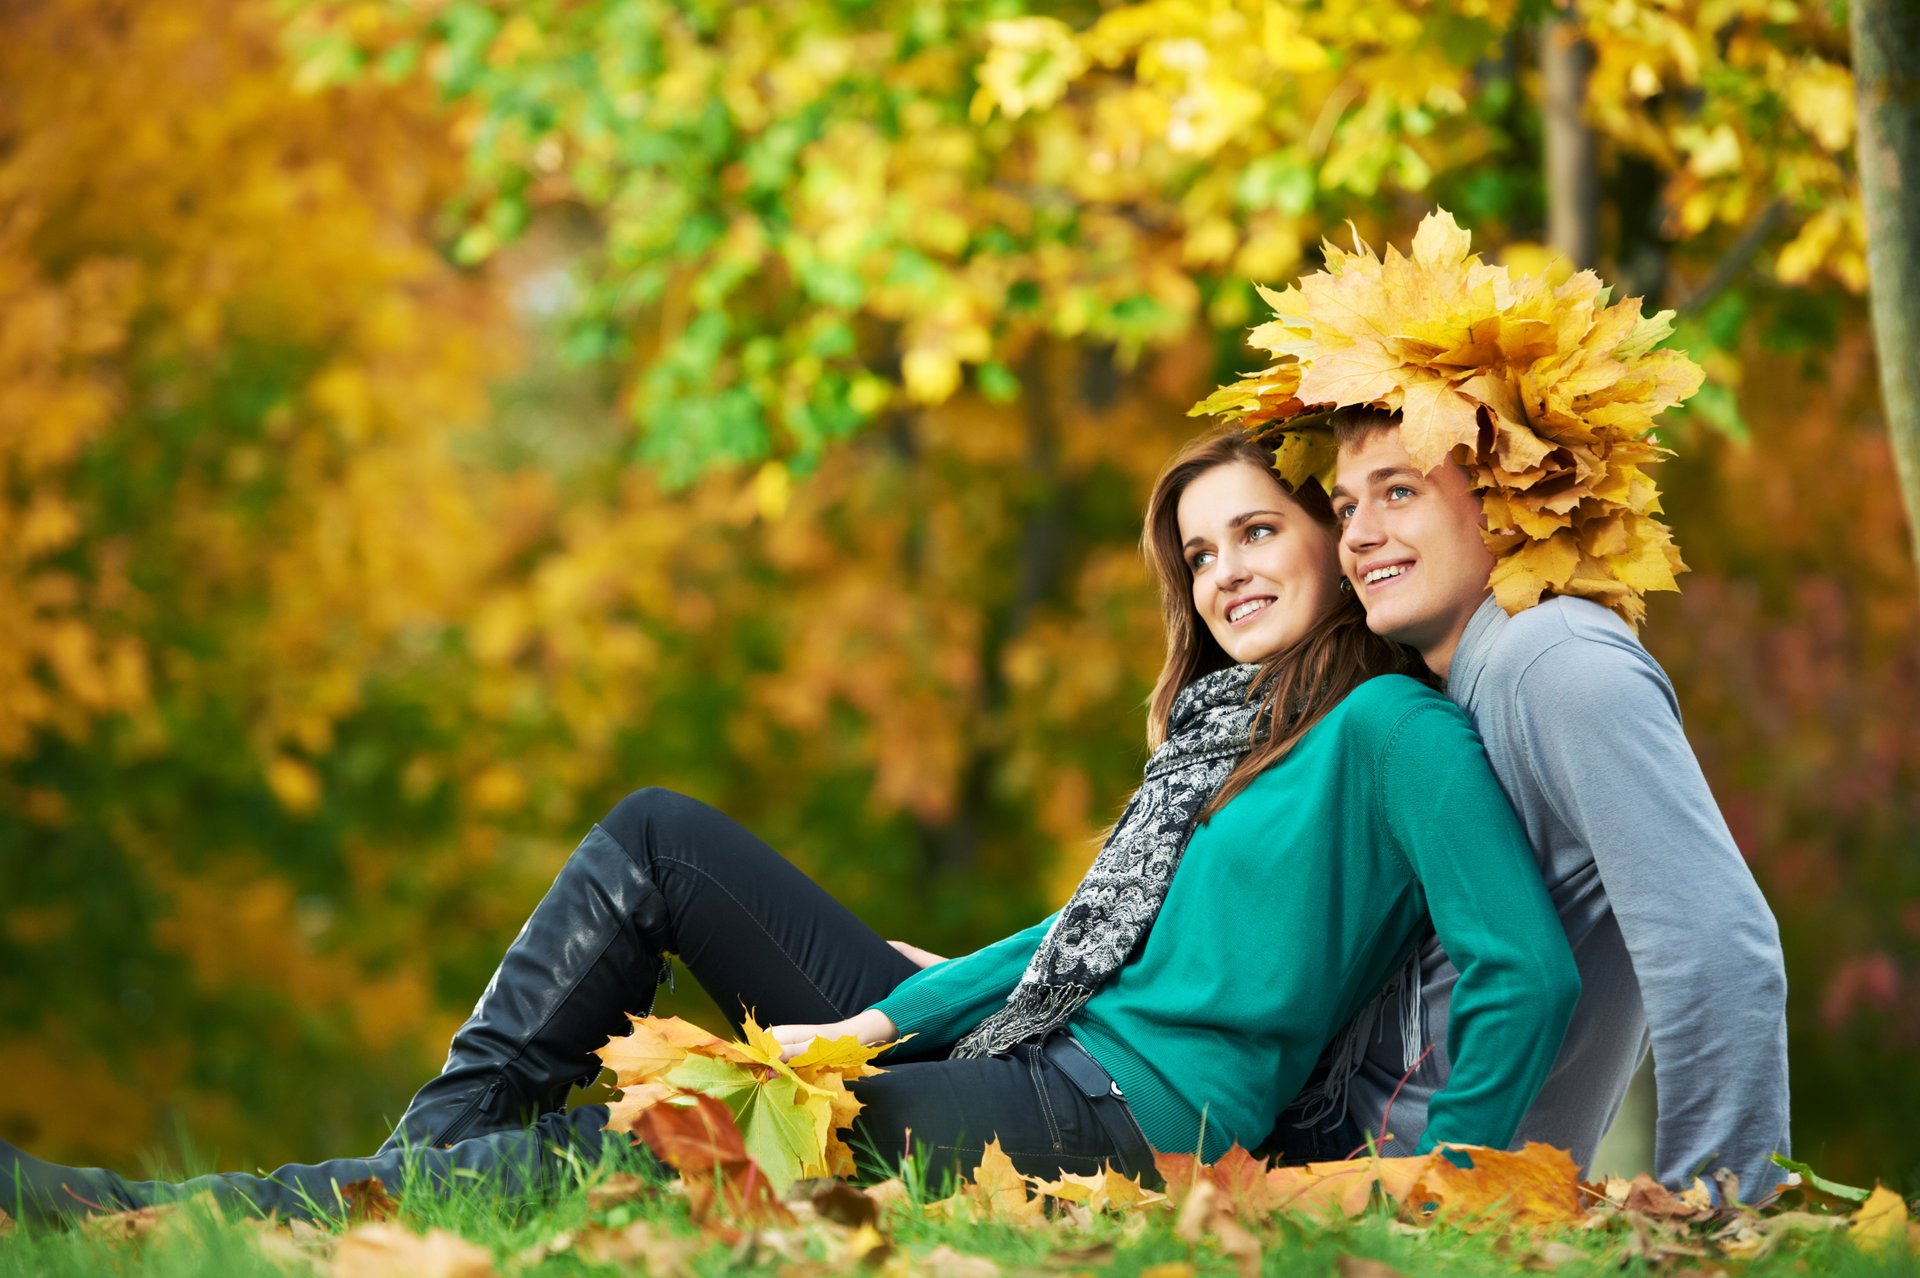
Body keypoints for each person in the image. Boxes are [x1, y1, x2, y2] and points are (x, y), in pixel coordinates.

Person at [1, 431, 1581, 1226]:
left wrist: (1435, 1193)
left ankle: (199, 1214)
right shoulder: (1232, 733)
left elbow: (1528, 968)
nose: (1229, 567)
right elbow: (1088, 933)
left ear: (1333, 537)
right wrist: (884, 1010)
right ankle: (413, 1180)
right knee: (658, 837)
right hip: (1042, 1043)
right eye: (1200, 548)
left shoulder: (1384, 728)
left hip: (1120, 1117)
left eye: (1261, 529)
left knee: (665, 1137)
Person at [1196, 210, 1790, 1199]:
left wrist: (1721, 1223)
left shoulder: (1557, 661)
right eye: (1347, 506)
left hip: (1399, 1191)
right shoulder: (1448, 688)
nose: (1359, 536)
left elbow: (1719, 951)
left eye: (1400, 492)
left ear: (1510, 493)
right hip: (1294, 1143)